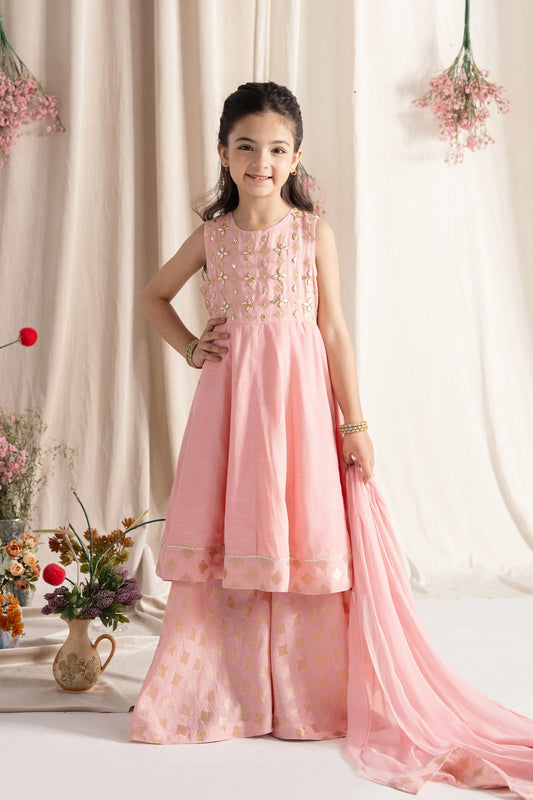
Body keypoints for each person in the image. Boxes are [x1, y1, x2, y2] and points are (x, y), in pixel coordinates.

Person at [129, 82, 533, 799]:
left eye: (276, 149)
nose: (260, 162)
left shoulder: (312, 233)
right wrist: (192, 347)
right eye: (246, 147)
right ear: (223, 152)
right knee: (233, 533)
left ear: (295, 157)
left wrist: (355, 422)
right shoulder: (213, 237)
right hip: (229, 406)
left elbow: (334, 329)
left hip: (298, 408)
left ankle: (306, 698)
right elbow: (152, 296)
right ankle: (227, 692)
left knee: (299, 533)